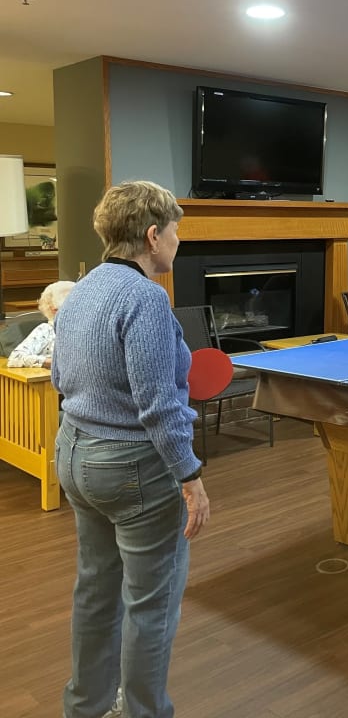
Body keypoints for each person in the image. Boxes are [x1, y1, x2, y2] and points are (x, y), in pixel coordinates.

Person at [52, 181, 210, 718]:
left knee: (96, 590)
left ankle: (85, 707)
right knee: (152, 604)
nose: (177, 241)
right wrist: (190, 477)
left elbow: (59, 377)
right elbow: (159, 404)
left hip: (74, 454)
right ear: (151, 235)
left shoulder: (84, 288)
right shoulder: (144, 298)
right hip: (132, 468)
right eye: (175, 231)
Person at [6, 279, 75, 368]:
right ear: (53, 309)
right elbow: (15, 358)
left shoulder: (85, 331)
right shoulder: (46, 330)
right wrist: (52, 362)